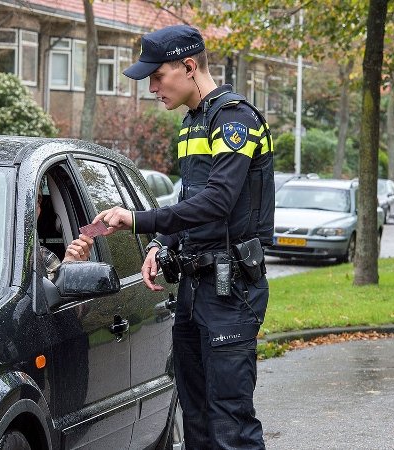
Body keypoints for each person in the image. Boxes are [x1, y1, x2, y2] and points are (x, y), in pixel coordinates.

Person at [94, 24, 274, 449]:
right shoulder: (192, 123)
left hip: (232, 293)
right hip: (194, 290)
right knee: (195, 420)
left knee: (230, 421)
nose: (152, 87)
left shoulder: (234, 119)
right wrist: (162, 245)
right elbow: (190, 199)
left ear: (189, 66)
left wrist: (141, 222)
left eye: (158, 76)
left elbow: (218, 202)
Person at [36, 189, 94, 279]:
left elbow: (55, 290)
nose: (29, 207)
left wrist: (68, 269)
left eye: (37, 201)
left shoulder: (45, 258)